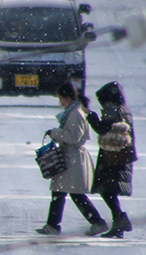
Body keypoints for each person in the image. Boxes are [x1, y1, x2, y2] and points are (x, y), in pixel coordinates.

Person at [37, 83, 110, 236]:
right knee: (64, 193)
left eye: (61, 99)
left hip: (73, 159)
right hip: (70, 158)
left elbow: (74, 137)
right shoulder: (74, 111)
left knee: (69, 194)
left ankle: (96, 222)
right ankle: (54, 225)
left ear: (68, 98)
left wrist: (56, 132)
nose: (60, 102)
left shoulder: (76, 113)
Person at [86, 82, 137, 238]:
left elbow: (102, 128)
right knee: (110, 189)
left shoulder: (112, 108)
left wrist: (91, 116)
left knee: (106, 189)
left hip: (111, 155)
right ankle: (119, 223)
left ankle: (120, 220)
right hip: (123, 155)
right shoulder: (125, 109)